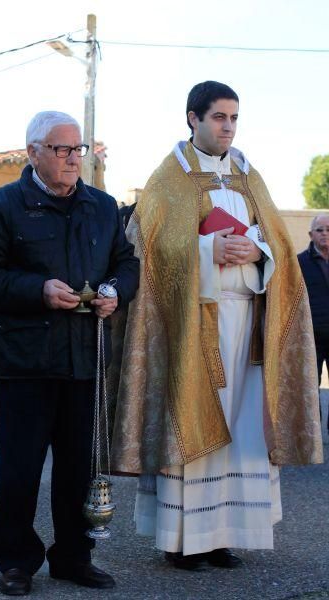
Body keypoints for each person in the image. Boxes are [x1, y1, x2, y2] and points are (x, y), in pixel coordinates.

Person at [110, 81, 322, 570]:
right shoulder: (169, 178)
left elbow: (281, 247)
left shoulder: (249, 175)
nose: (228, 127)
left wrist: (258, 250)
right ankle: (182, 540)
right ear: (193, 118)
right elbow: (149, 249)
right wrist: (208, 251)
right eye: (219, 117)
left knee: (242, 427)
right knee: (193, 421)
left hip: (245, 320)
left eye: (234, 118)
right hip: (192, 326)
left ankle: (222, 534)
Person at [0, 111, 139, 596]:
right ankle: (16, 561)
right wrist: (37, 289)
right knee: (21, 468)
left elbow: (126, 263)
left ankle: (74, 558)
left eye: (78, 149)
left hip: (85, 361)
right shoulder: (0, 207)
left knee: (78, 469)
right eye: (61, 150)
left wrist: (115, 290)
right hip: (27, 363)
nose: (72, 159)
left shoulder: (102, 207)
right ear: (33, 152)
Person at [298, 214, 329, 433]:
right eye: (320, 230)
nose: (325, 234)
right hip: (312, 336)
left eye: (328, 229)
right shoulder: (299, 262)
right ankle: (314, 436)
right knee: (310, 387)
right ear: (311, 235)